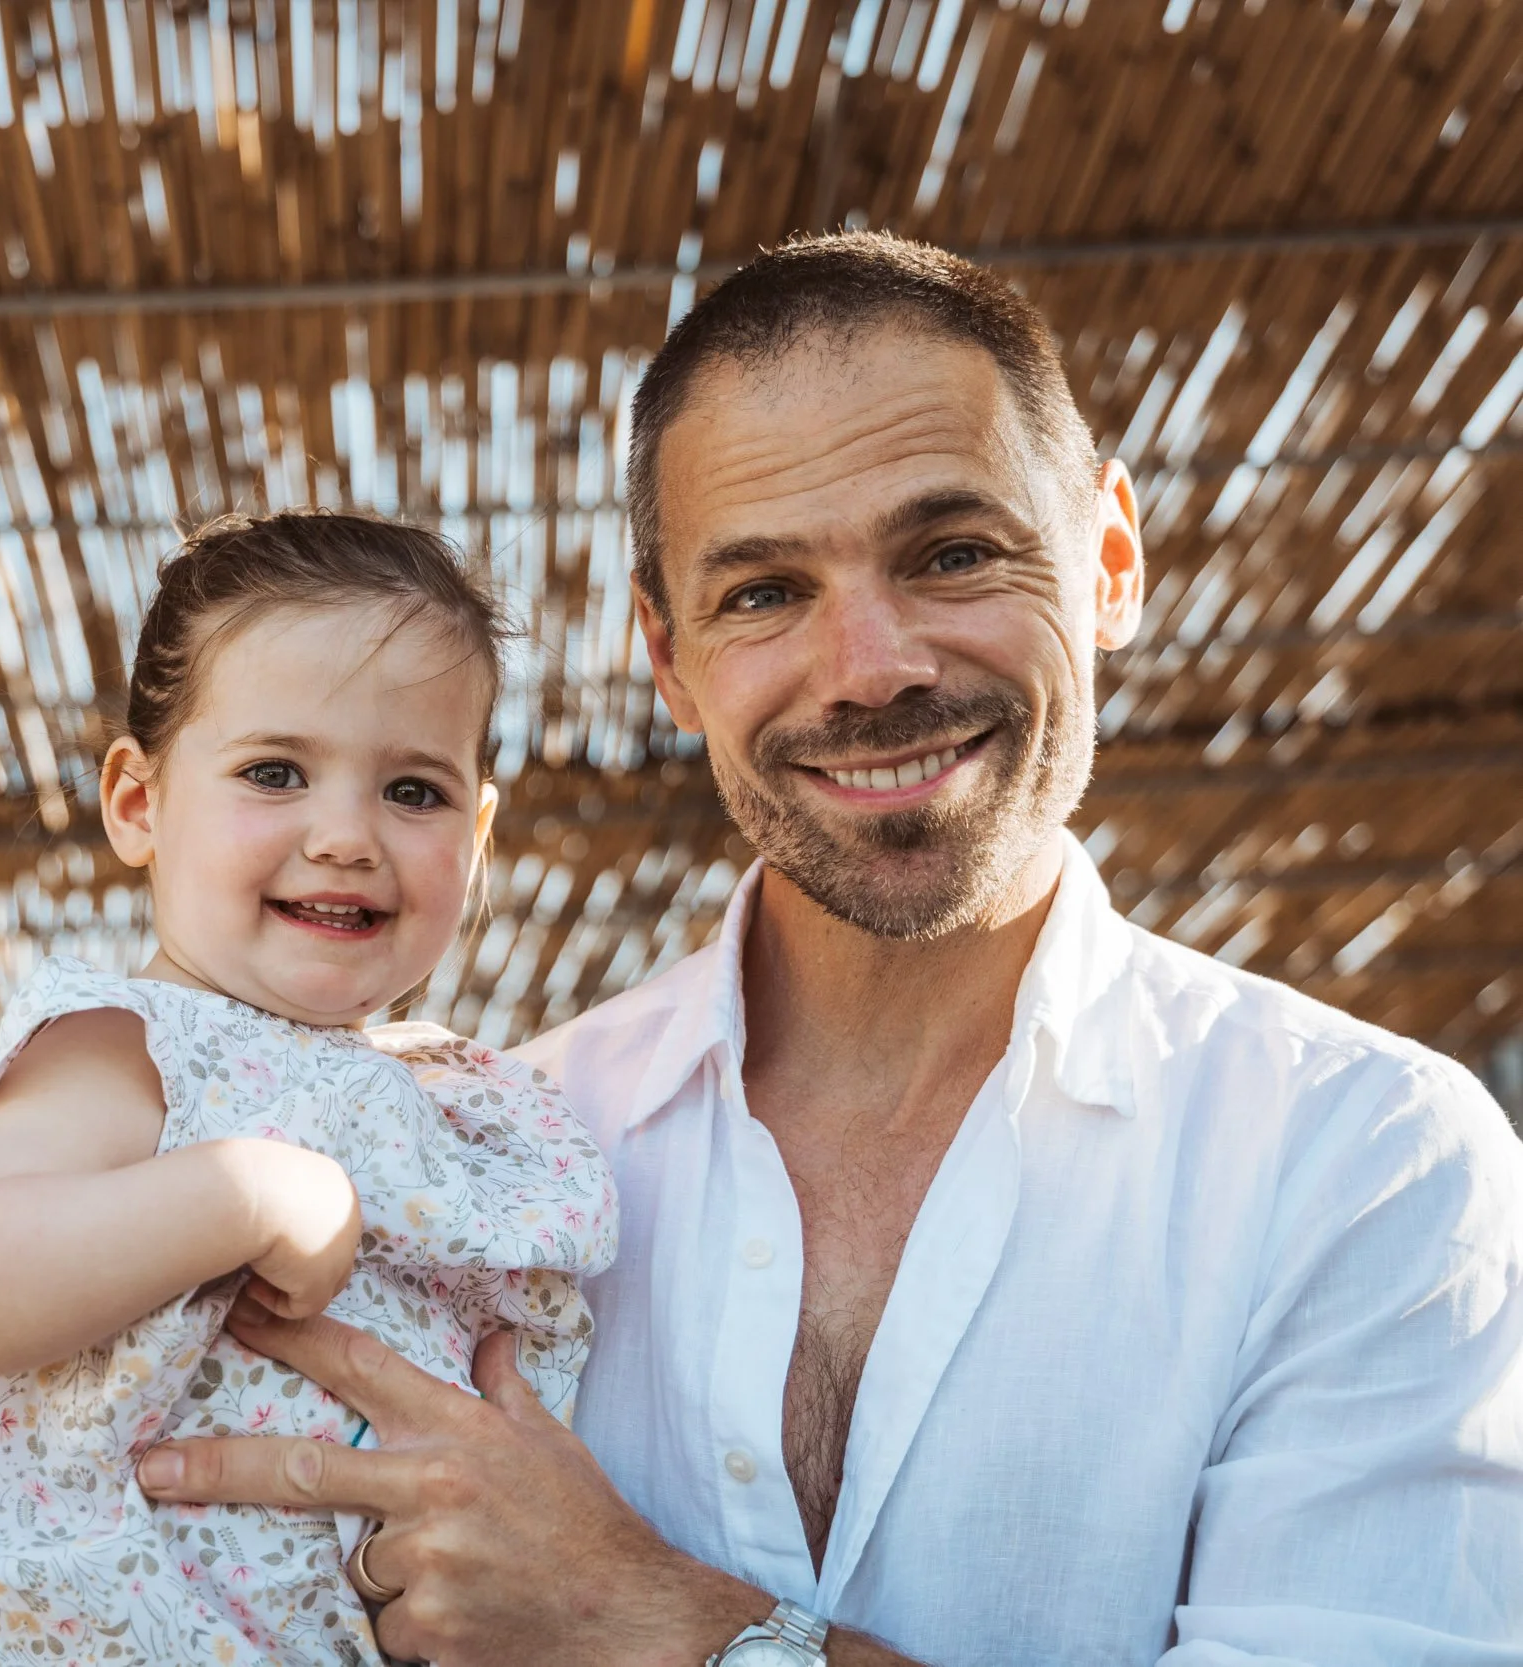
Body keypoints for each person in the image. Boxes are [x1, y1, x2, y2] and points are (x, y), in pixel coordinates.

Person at [134, 233, 1523, 1665]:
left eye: (955, 552)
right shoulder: (494, 1166)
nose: (872, 666)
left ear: (1109, 561)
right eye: (763, 592)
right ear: (670, 659)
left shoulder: (1368, 1163)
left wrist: (657, 1619)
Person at [0, 510, 619, 1664]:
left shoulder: (454, 1094)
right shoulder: (132, 1047)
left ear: (476, 839)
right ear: (138, 802)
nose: (344, 834)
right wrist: (240, 1192)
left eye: (414, 791)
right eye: (274, 772)